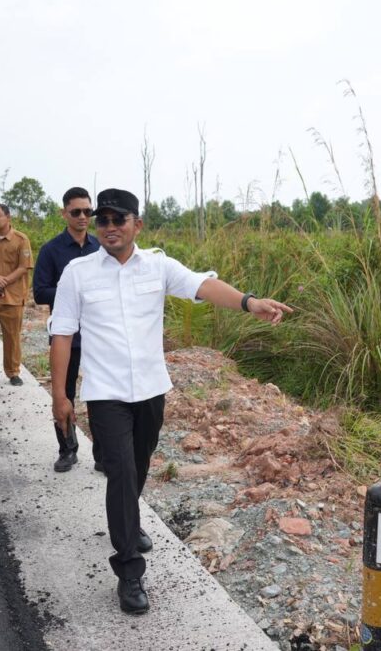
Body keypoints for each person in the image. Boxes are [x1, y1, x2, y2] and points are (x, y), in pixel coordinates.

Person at [49, 188, 291, 614]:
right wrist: (59, 395)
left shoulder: (158, 266)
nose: (109, 227)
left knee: (139, 465)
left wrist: (249, 303)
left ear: (137, 225)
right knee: (121, 472)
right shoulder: (78, 273)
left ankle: (129, 521)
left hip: (150, 390)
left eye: (118, 219)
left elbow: (203, 285)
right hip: (105, 394)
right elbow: (62, 333)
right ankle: (129, 570)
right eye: (103, 220)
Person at [33, 186, 102, 473]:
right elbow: (40, 292)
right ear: (64, 214)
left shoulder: (100, 247)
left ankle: (103, 453)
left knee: (101, 395)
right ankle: (67, 449)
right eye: (76, 212)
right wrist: (73, 293)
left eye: (88, 211)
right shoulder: (51, 250)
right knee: (64, 392)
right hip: (66, 336)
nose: (83, 217)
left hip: (97, 334)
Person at [0, 204, 33, 390]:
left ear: (8, 217)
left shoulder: (21, 240)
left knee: (12, 338)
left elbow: (24, 267)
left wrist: (3, 281)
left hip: (13, 299)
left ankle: (13, 372)